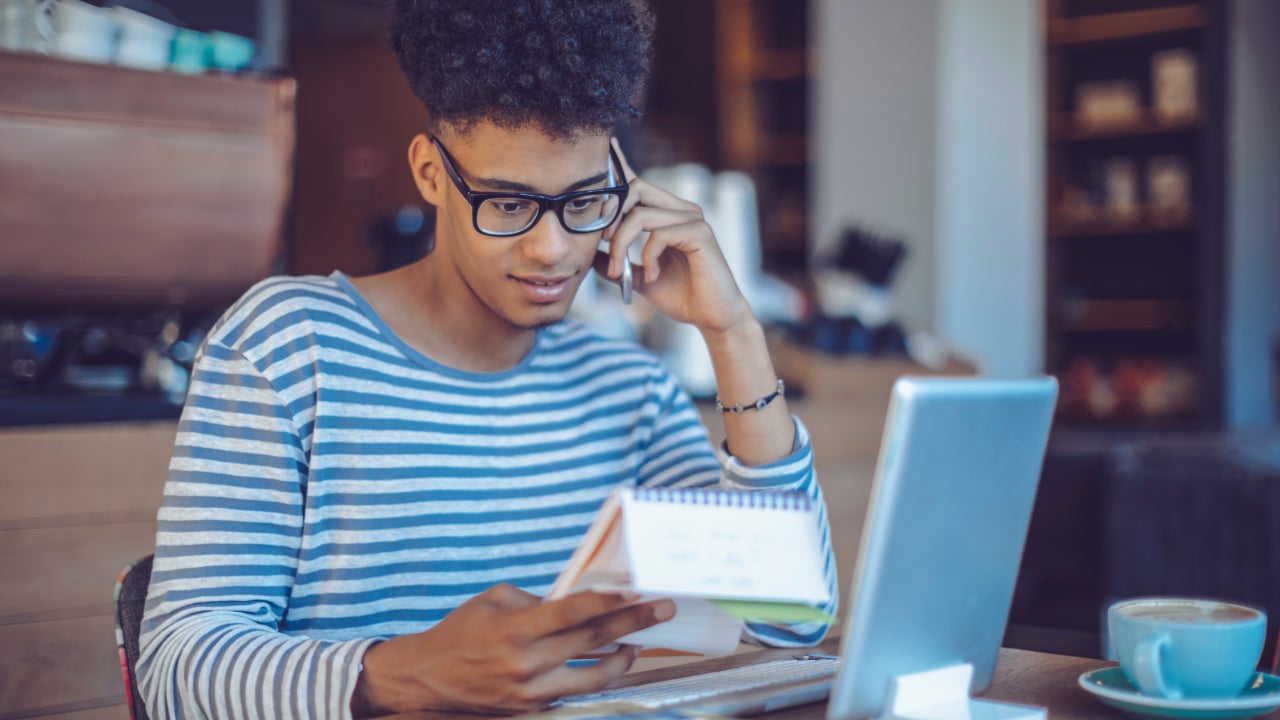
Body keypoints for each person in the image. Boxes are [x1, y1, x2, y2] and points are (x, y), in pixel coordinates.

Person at [136, 1, 837, 717]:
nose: (553, 248)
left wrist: (733, 331)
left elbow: (789, 617)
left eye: (585, 200)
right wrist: (406, 675)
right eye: (507, 204)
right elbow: (174, 669)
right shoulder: (288, 348)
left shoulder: (630, 390)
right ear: (430, 174)